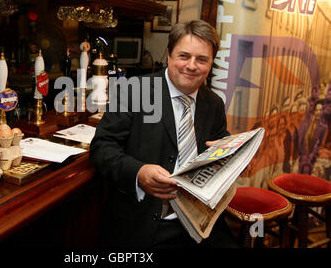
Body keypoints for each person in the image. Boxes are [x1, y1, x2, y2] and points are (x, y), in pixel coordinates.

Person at [90, 20, 237, 248]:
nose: (191, 66)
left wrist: (231, 157)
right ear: (168, 55)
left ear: (211, 63)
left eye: (202, 59)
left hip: (200, 223)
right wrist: (139, 172)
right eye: (184, 56)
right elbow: (102, 148)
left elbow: (219, 145)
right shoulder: (134, 90)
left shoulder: (214, 103)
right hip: (143, 224)